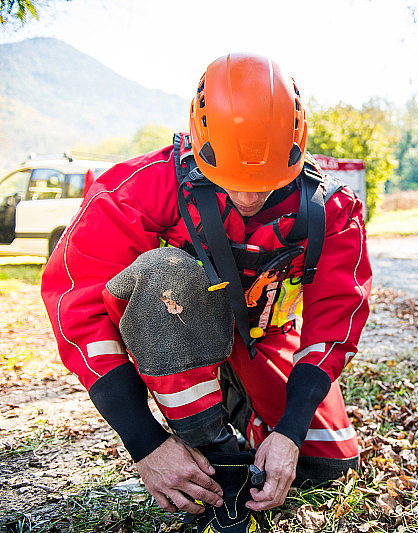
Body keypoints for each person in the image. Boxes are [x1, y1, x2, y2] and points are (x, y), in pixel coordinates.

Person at [41, 53, 372, 532]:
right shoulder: (145, 184)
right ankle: (215, 453)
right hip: (177, 335)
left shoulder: (332, 211)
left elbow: (335, 325)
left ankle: (248, 416)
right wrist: (144, 443)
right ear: (200, 145)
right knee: (168, 275)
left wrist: (291, 431)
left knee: (326, 464)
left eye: (266, 182)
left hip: (263, 336)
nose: (250, 197)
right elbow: (76, 303)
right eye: (234, 181)